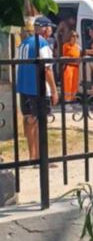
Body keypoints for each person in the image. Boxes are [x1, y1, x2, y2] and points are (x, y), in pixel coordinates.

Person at [16, 16, 59, 161]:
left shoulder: (23, 43)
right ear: (45, 28)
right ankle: (42, 157)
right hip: (38, 88)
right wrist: (54, 90)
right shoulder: (42, 43)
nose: (51, 30)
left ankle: (32, 156)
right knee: (41, 123)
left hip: (24, 87)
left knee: (29, 120)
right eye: (50, 27)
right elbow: (47, 69)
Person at [61, 30, 81, 103]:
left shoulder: (78, 47)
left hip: (76, 67)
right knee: (68, 83)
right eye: (73, 36)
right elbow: (63, 57)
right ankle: (67, 99)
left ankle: (73, 98)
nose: (75, 38)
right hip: (68, 66)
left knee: (75, 83)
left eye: (76, 36)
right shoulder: (66, 45)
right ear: (70, 37)